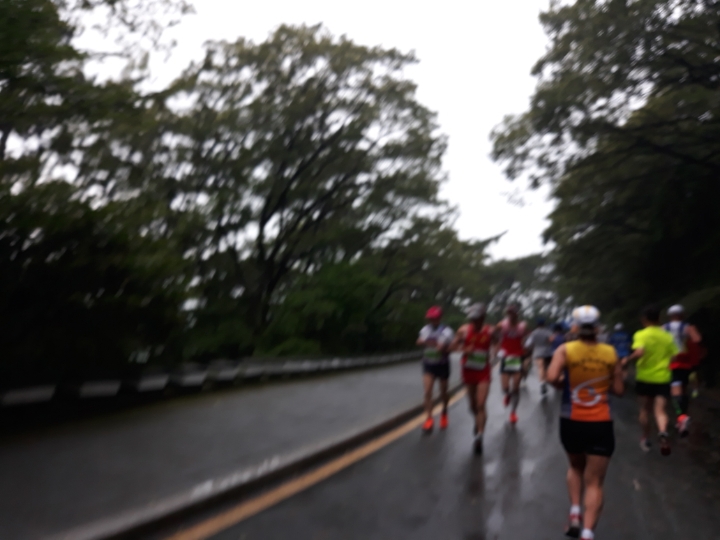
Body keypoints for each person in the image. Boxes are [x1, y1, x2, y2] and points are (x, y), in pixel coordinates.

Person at [547, 305, 624, 540]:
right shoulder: (610, 353)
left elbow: (551, 377)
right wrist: (602, 382)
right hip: (600, 421)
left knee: (575, 468)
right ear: (598, 328)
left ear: (575, 327)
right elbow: (619, 390)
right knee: (595, 482)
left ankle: (574, 513)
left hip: (571, 419)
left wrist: (564, 383)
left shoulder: (564, 350)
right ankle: (588, 532)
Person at [621, 305, 678, 455]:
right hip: (663, 377)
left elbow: (640, 352)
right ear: (659, 318)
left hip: (645, 377)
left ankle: (645, 437)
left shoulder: (641, 334)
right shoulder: (667, 336)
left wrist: (628, 359)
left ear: (644, 319)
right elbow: (674, 356)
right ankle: (663, 431)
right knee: (660, 410)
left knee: (645, 410)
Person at [452, 303, 493, 454]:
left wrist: (496, 352)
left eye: (477, 318)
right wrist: (464, 349)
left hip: (483, 371)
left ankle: (479, 437)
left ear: (483, 318)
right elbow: (451, 347)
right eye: (472, 318)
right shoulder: (463, 330)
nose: (474, 321)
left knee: (481, 404)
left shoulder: (490, 331)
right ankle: (478, 421)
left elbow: (498, 343)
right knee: (472, 406)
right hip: (468, 370)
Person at [663, 305, 703, 437]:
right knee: (683, 391)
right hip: (686, 363)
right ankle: (682, 421)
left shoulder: (664, 328)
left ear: (670, 315)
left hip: (671, 362)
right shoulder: (688, 327)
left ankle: (681, 417)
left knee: (675, 392)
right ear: (682, 314)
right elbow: (697, 339)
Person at [417, 305, 454, 433]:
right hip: (428, 364)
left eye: (434, 318)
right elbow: (419, 341)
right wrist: (426, 343)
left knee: (443, 392)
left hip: (442, 364)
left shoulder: (447, 331)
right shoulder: (425, 329)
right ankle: (429, 419)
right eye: (430, 318)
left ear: (439, 318)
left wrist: (443, 348)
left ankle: (444, 412)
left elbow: (451, 347)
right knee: (427, 391)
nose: (432, 320)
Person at [495, 303, 528, 424]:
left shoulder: (522, 326)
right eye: (509, 313)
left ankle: (513, 412)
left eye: (513, 313)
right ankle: (507, 395)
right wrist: (496, 348)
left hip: (517, 358)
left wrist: (525, 349)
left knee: (516, 387)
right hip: (506, 358)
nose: (511, 315)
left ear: (517, 314)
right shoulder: (501, 325)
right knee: (505, 388)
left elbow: (527, 338)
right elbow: (494, 336)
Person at [524, 317, 554, 395]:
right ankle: (546, 381)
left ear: (537, 324)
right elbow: (552, 340)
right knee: (546, 368)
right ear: (544, 324)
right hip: (548, 352)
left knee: (541, 368)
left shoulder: (533, 333)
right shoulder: (548, 332)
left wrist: (531, 348)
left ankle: (542, 383)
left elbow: (528, 344)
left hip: (538, 352)